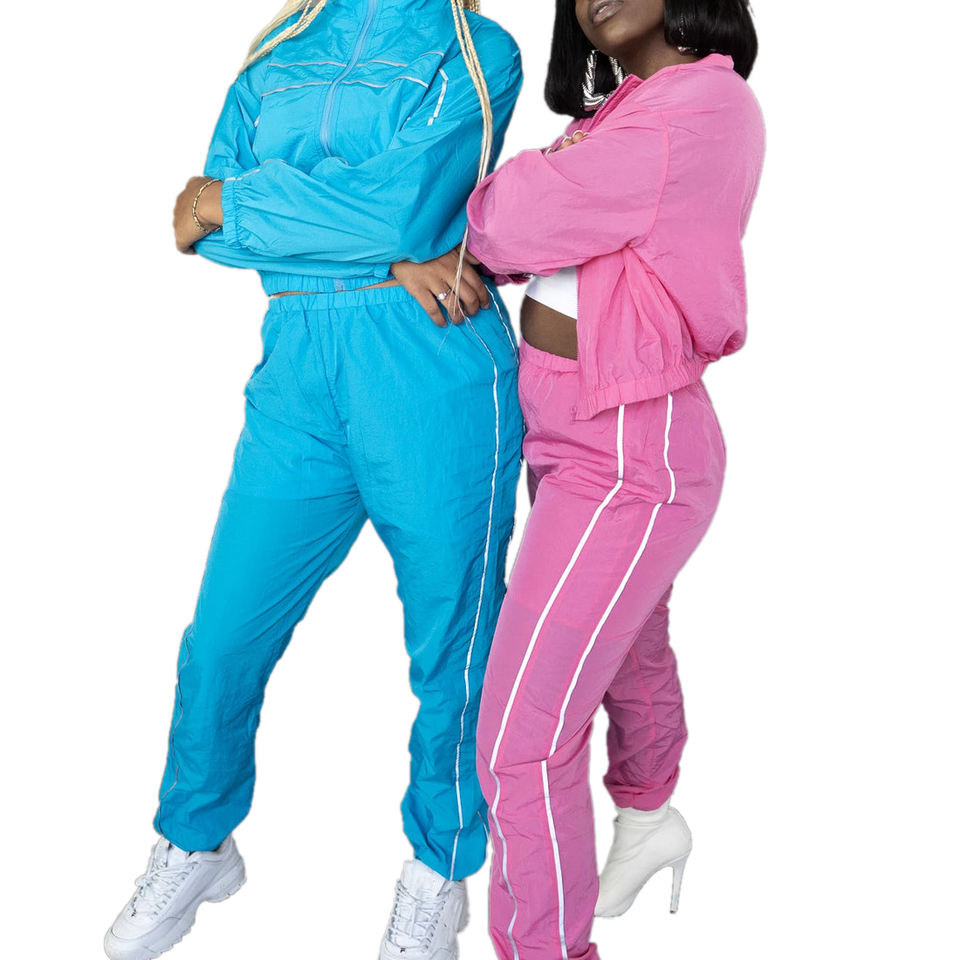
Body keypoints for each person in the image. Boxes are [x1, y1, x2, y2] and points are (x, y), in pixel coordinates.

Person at [103, 2, 523, 959]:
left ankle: (441, 869)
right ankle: (197, 838)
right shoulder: (281, 45)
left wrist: (250, 207)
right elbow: (198, 231)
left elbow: (383, 205)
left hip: (430, 367)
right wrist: (390, 251)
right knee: (222, 635)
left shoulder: (473, 48)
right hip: (296, 374)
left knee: (454, 646)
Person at [463, 1, 764, 958]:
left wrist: (532, 183)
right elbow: (550, 229)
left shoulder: (701, 105)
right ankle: (649, 814)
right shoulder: (630, 109)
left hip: (629, 446)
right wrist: (558, 178)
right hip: (574, 430)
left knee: (519, 738)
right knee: (627, 650)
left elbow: (512, 223)